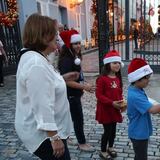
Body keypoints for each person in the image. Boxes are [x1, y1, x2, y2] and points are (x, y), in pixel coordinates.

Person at [15, 13, 79, 160]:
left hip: (49, 132)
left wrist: (62, 79)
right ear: (43, 37)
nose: (58, 40)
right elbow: (41, 103)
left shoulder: (36, 58)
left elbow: (44, 86)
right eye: (55, 36)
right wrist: (54, 137)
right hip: (44, 136)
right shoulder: (36, 63)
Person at [58, 29, 95, 152]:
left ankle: (66, 137)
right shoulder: (66, 59)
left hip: (74, 94)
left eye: (79, 43)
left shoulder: (74, 56)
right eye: (75, 43)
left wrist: (84, 83)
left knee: (69, 117)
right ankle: (82, 143)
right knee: (78, 118)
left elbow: (77, 76)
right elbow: (67, 81)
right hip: (70, 95)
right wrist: (85, 87)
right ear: (69, 44)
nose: (78, 45)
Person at [95, 50, 126, 160]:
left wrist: (122, 103)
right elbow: (99, 95)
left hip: (115, 109)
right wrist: (111, 103)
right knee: (107, 131)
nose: (117, 65)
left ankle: (111, 147)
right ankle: (103, 150)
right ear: (108, 64)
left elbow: (119, 92)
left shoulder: (118, 78)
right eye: (114, 63)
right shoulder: (102, 79)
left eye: (118, 63)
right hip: (106, 109)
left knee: (113, 130)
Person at [127, 58, 160, 160]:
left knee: (139, 156)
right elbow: (153, 110)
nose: (148, 81)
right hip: (138, 134)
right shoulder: (136, 96)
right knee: (141, 157)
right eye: (146, 78)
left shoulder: (136, 89)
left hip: (139, 132)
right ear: (137, 78)